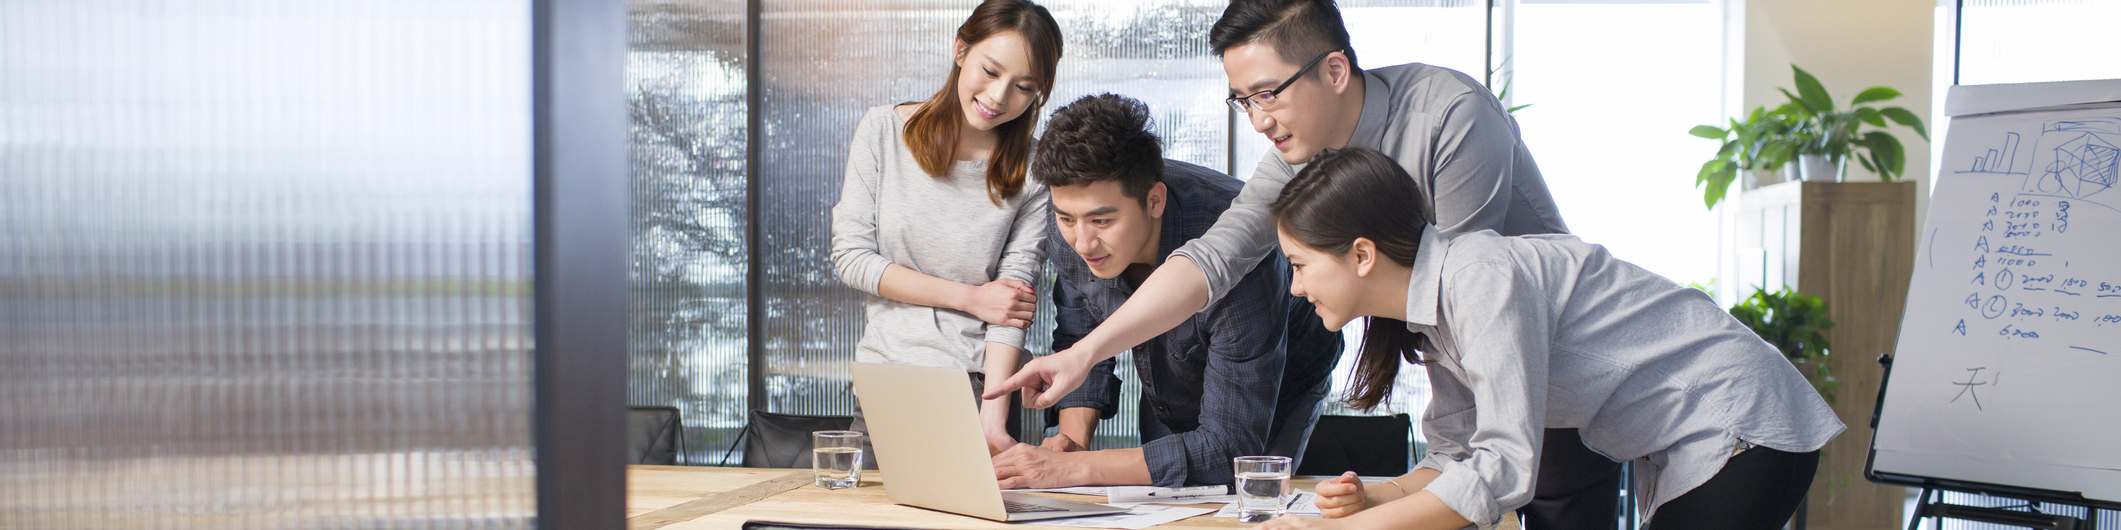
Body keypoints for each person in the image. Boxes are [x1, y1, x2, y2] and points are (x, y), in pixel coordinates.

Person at [984, 1, 1606, 526]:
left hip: (1556, 359)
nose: (1257, 120)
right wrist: (1083, 353)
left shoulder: (1449, 117)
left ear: (1334, 69)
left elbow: (1469, 301)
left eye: (1266, 94)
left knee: (1551, 496)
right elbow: (1211, 260)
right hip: (1471, 386)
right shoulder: (1294, 152)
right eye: (1241, 101)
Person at [1252, 148, 1841, 530]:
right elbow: (1457, 451)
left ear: (1360, 255)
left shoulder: (1478, 277)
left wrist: (1337, 529)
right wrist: (1378, 498)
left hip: (1739, 424)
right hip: (1695, 440)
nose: (1296, 287)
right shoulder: (1435, 313)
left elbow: (1506, 467)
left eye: (1299, 265)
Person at [988, 94, 1342, 489]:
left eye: (1102, 220)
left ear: (1154, 200)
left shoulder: (1240, 249)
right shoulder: (1068, 229)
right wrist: (1073, 446)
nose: (1083, 242)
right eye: (1066, 217)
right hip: (1169, 373)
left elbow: (1230, 448)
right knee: (1160, 497)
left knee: (1251, 494)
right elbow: (1078, 342)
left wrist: (1078, 470)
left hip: (1276, 380)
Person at [829, 0, 1062, 458]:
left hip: (977, 390)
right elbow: (852, 259)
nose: (998, 97)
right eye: (990, 71)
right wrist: (970, 297)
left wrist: (992, 421)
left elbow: (1011, 303)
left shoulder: (1036, 172)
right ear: (960, 50)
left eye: (1023, 87)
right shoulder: (882, 132)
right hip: (887, 379)